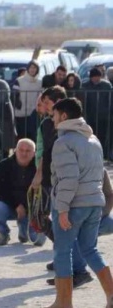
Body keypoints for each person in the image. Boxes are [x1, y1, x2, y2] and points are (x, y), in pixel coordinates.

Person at [47, 98, 113, 307]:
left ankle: (64, 302)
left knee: (62, 251)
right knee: (90, 250)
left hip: (73, 204)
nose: (53, 119)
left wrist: (63, 209)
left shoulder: (63, 142)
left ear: (64, 116)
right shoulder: (93, 139)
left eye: (54, 115)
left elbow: (69, 179)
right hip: (95, 203)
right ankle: (112, 295)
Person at [0, 139, 40, 245]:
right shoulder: (3, 166)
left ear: (34, 153)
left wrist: (28, 209)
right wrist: (17, 206)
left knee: (38, 241)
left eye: (28, 151)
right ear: (15, 151)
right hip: (10, 206)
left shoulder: (39, 168)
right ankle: (4, 233)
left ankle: (24, 229)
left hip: (33, 208)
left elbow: (46, 191)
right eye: (21, 150)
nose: (24, 153)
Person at [80, 67, 113, 161]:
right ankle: (91, 155)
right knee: (90, 136)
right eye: (95, 77)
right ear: (91, 77)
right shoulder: (85, 85)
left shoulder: (106, 85)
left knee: (103, 136)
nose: (97, 79)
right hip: (90, 116)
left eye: (98, 76)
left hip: (104, 116)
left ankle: (103, 154)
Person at [14, 61, 43, 142]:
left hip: (34, 113)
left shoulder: (40, 82)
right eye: (31, 67)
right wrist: (17, 105)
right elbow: (14, 95)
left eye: (35, 68)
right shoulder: (19, 80)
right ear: (28, 69)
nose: (32, 70)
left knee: (33, 137)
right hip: (21, 113)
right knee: (21, 138)